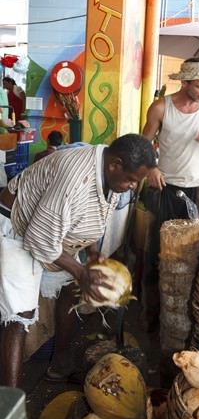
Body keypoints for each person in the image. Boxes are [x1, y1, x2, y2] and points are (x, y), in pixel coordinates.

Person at [0, 133, 156, 388]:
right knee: (19, 317)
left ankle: (59, 364)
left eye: (136, 182)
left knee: (70, 290)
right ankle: (10, 403)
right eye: (130, 180)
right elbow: (40, 240)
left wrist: (92, 252)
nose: (131, 186)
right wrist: (81, 272)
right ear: (115, 164)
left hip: (52, 229)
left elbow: (92, 212)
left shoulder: (111, 173)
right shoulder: (74, 180)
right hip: (19, 226)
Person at [140, 57, 199, 333]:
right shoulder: (162, 107)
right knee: (157, 256)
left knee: (195, 257)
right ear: (184, 82)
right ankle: (151, 320)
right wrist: (151, 168)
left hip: (197, 193)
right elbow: (143, 145)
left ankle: (191, 320)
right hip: (165, 190)